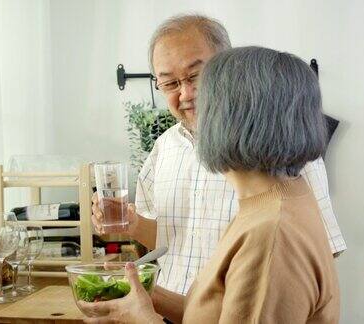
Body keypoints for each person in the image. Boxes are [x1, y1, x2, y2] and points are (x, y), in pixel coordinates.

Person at [92, 14, 345, 321]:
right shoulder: (265, 203)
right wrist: (147, 296)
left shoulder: (270, 231)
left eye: (200, 81)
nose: (187, 96)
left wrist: (142, 318)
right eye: (170, 83)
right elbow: (218, 308)